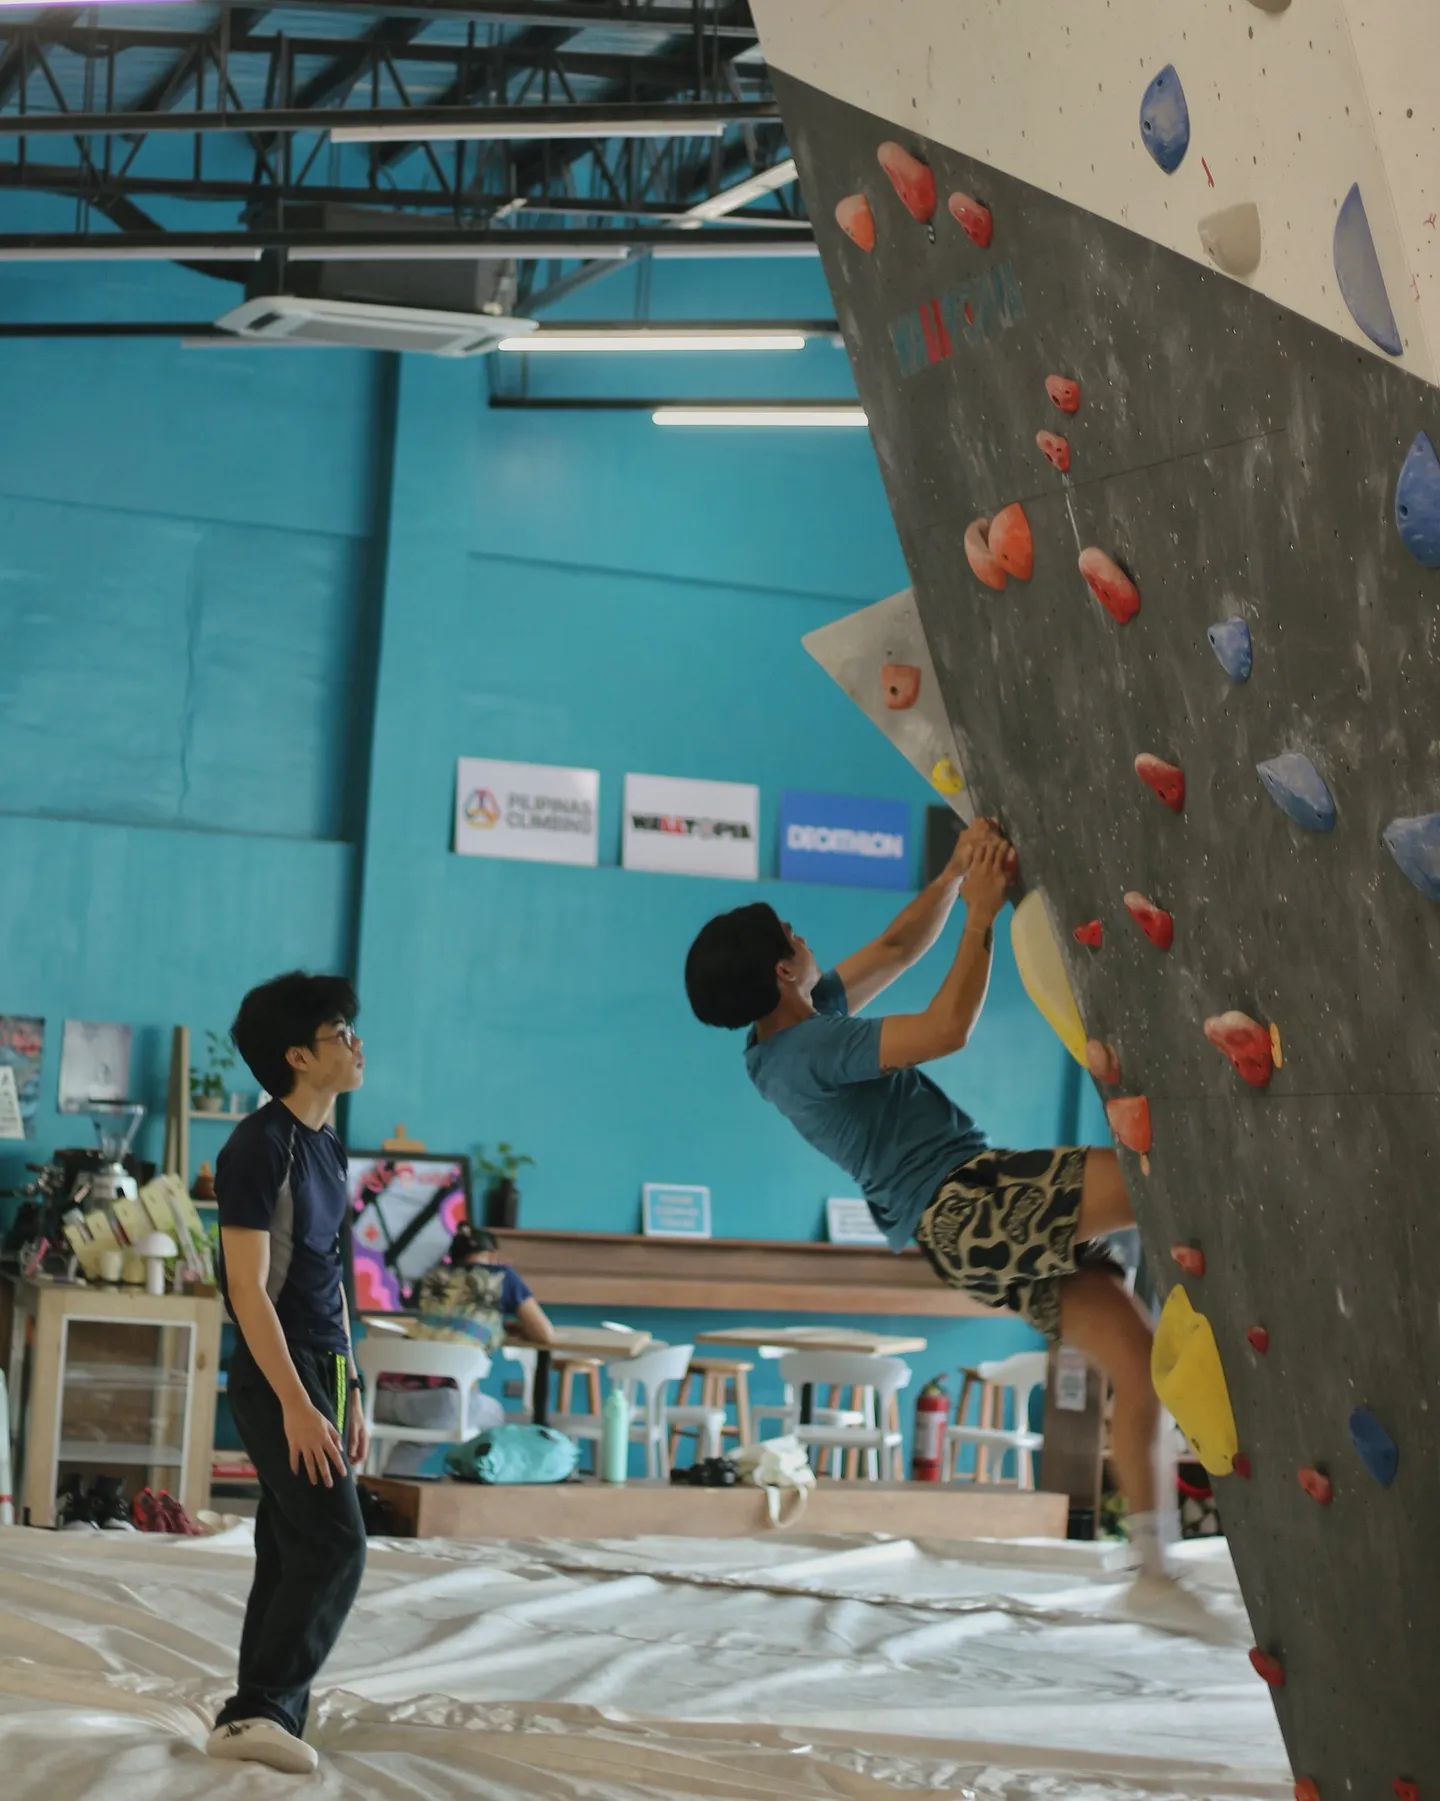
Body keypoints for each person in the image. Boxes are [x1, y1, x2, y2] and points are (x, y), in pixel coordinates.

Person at [685, 819, 1208, 1630]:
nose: (805, 936)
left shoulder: (774, 1041)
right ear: (785, 968)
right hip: (970, 1202)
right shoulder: (813, 1052)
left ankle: (1153, 1570)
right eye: (795, 934)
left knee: (1136, 1360)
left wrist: (958, 872)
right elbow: (947, 1029)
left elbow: (895, 948)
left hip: (955, 1233)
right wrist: (979, 915)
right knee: (1156, 1169)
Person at [209, 971, 370, 1774]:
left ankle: (273, 1708)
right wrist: (300, 1402)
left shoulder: (329, 1143)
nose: (357, 1044)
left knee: (290, 1541)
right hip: (279, 1373)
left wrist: (351, 1384)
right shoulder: (257, 1145)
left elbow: (328, 1274)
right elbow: (248, 1288)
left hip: (326, 1367)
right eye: (342, 1032)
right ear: (299, 1055)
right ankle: (257, 1707)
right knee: (337, 1541)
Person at [372, 1226, 553, 1471]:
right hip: (436, 1403)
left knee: (420, 1437)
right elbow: (544, 1333)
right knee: (494, 1415)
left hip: (381, 1399)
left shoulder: (433, 1277)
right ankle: (479, 1485)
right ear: (493, 1256)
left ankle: (381, 1494)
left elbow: (447, 1318)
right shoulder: (502, 1276)